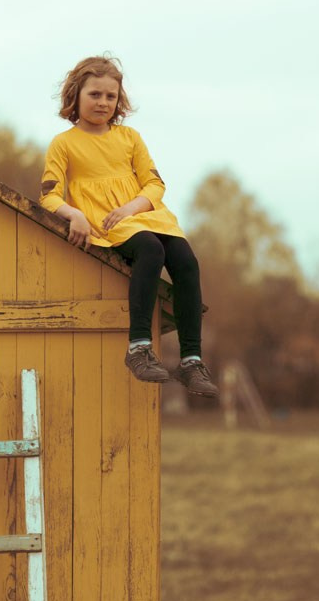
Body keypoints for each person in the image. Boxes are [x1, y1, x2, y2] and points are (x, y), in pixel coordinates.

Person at [39, 55, 218, 398]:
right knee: (149, 249)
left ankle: (191, 360)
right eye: (95, 94)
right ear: (76, 95)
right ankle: (139, 348)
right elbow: (48, 195)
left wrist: (131, 207)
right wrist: (74, 214)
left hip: (143, 212)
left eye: (110, 96)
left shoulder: (130, 137)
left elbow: (154, 184)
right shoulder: (64, 144)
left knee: (185, 261)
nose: (103, 102)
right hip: (107, 221)